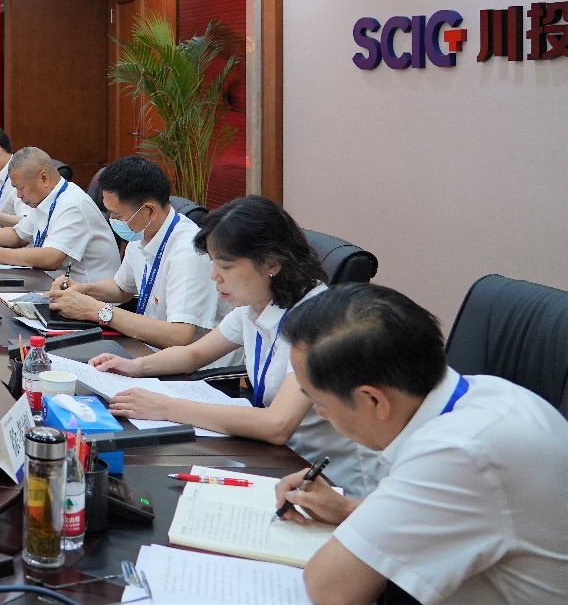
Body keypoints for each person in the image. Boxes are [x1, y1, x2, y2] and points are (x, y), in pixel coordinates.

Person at [274, 285, 568, 605]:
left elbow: (330, 590)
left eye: (319, 401)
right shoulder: (486, 394)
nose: (320, 414)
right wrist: (346, 510)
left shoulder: (457, 452)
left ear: (373, 399)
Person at [88, 196, 375, 496]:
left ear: (272, 263)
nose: (214, 276)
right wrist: (135, 366)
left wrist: (165, 407)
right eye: (213, 263)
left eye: (225, 265)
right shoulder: (257, 302)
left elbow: (277, 424)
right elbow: (194, 354)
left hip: (332, 485)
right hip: (281, 463)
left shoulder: (318, 320)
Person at [45, 155, 224, 351]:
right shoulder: (141, 231)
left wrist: (98, 310)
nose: (111, 220)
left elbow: (180, 335)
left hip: (186, 363)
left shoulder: (187, 252)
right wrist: (83, 289)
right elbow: (122, 288)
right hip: (146, 346)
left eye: (117, 214)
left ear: (149, 211)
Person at [0, 147, 117, 283]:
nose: (18, 195)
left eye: (20, 188)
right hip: (55, 285)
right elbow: (18, 235)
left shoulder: (73, 204)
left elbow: (51, 258)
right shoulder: (46, 199)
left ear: (43, 178)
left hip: (91, 299)